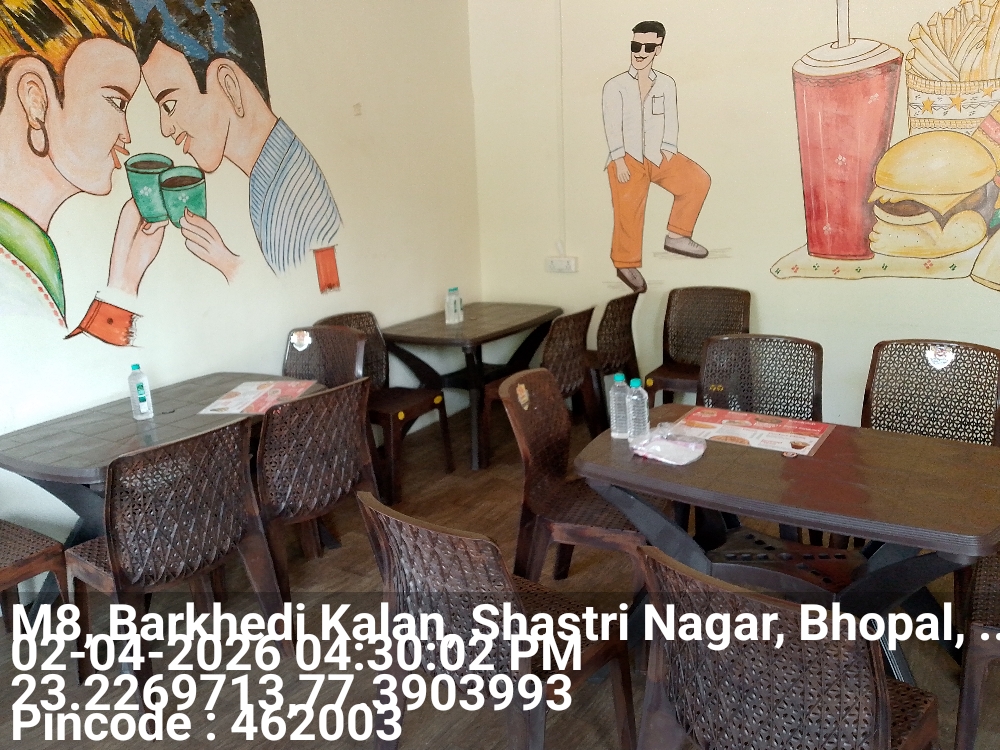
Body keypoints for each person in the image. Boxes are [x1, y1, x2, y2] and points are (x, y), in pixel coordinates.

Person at [116, 0, 343, 296]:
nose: (165, 128)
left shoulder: (296, 192)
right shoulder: (275, 175)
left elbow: (325, 289)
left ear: (228, 85)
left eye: (169, 105)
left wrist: (231, 266)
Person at [0, 0, 156, 345]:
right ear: (36, 98)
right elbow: (51, 372)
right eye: (116, 102)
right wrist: (122, 288)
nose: (126, 135)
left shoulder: (26, 250)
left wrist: (124, 277)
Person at [602, 21, 712, 294]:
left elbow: (671, 120)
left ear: (658, 49)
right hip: (626, 157)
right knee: (628, 212)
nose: (640, 52)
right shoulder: (615, 86)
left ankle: (677, 236)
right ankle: (625, 263)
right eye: (635, 46)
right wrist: (618, 160)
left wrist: (668, 149)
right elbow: (612, 126)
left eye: (647, 47)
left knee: (698, 180)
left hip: (657, 154)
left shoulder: (666, 83)